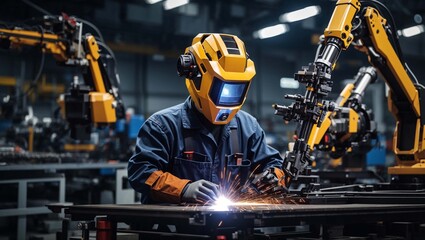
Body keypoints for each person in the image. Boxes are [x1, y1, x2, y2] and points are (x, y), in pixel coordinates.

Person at [128, 33, 286, 204]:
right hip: (173, 229)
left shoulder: (248, 127)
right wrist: (183, 189)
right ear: (196, 77)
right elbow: (141, 172)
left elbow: (275, 166)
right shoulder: (162, 126)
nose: (228, 97)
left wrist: (268, 181)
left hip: (231, 226)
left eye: (236, 89)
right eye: (222, 87)